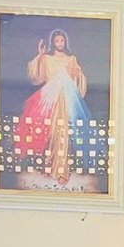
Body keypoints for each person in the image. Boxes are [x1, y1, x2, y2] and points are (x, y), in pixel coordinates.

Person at [15, 28, 92, 187]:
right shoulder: (47, 59)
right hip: (49, 98)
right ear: (53, 42)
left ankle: (62, 171)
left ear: (65, 42)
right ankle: (49, 166)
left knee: (62, 133)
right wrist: (40, 55)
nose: (60, 43)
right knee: (48, 132)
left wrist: (75, 74)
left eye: (62, 40)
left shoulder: (71, 59)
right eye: (57, 41)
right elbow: (37, 75)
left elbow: (79, 78)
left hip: (65, 99)